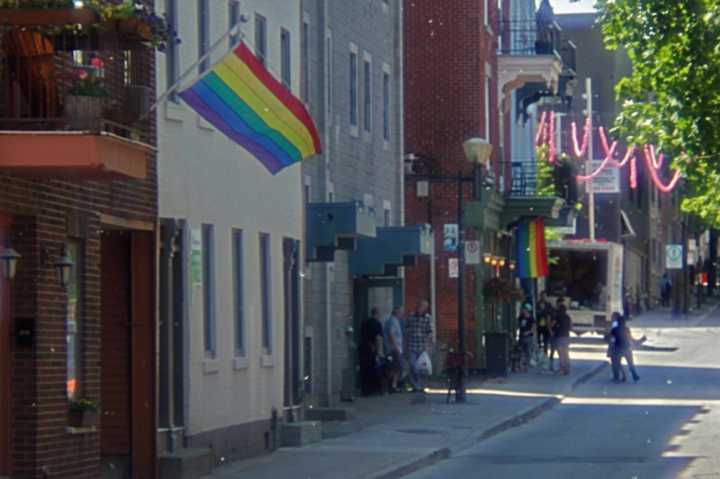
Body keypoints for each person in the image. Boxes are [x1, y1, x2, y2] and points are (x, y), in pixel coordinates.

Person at [405, 300, 434, 393]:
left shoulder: (428, 318)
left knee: (423, 368)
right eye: (420, 306)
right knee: (412, 365)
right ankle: (415, 386)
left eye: (424, 307)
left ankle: (422, 386)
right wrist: (408, 333)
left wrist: (427, 343)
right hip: (412, 345)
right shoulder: (411, 316)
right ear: (417, 306)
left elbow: (430, 331)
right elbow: (406, 328)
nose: (421, 308)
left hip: (423, 347)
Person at [359, 307, 384, 396]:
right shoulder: (377, 324)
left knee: (364, 370)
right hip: (372, 349)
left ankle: (365, 390)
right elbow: (378, 338)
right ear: (377, 314)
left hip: (363, 348)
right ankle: (375, 389)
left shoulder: (365, 322)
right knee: (374, 369)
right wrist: (379, 352)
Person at [610, 314, 641, 383]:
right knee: (630, 363)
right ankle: (634, 375)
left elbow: (612, 340)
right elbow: (630, 338)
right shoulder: (627, 329)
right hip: (627, 348)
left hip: (618, 348)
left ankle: (616, 377)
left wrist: (611, 348)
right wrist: (637, 341)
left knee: (616, 364)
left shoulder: (614, 329)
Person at [383, 306, 405, 393]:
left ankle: (393, 385)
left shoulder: (396, 321)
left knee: (396, 367)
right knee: (396, 367)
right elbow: (391, 334)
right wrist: (396, 347)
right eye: (401, 312)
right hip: (393, 349)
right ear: (396, 311)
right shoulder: (392, 321)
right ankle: (391, 385)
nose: (402, 314)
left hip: (395, 348)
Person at [554, 302, 572, 375]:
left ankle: (562, 369)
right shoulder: (568, 317)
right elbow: (571, 326)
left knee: (560, 354)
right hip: (566, 336)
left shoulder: (557, 316)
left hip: (559, 336)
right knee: (566, 353)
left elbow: (553, 324)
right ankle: (567, 368)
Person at [517, 304, 535, 371]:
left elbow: (533, 328)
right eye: (523, 309)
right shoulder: (521, 317)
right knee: (521, 351)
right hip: (521, 337)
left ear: (528, 310)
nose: (523, 310)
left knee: (528, 352)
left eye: (524, 309)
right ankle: (521, 365)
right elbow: (518, 325)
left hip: (529, 337)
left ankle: (525, 366)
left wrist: (528, 332)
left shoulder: (531, 318)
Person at [548, 297, 564, 371]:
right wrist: (550, 331)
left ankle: (560, 366)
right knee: (553, 350)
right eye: (561, 302)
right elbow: (550, 321)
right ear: (558, 303)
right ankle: (551, 365)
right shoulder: (553, 311)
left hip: (559, 333)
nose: (562, 304)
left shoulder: (561, 311)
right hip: (554, 333)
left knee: (559, 351)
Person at [536, 291, 552, 357]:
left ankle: (545, 353)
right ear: (540, 296)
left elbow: (550, 312)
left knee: (546, 340)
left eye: (545, 296)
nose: (543, 297)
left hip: (546, 324)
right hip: (538, 324)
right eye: (542, 295)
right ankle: (539, 352)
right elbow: (535, 312)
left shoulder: (548, 304)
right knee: (538, 339)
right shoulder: (537, 304)